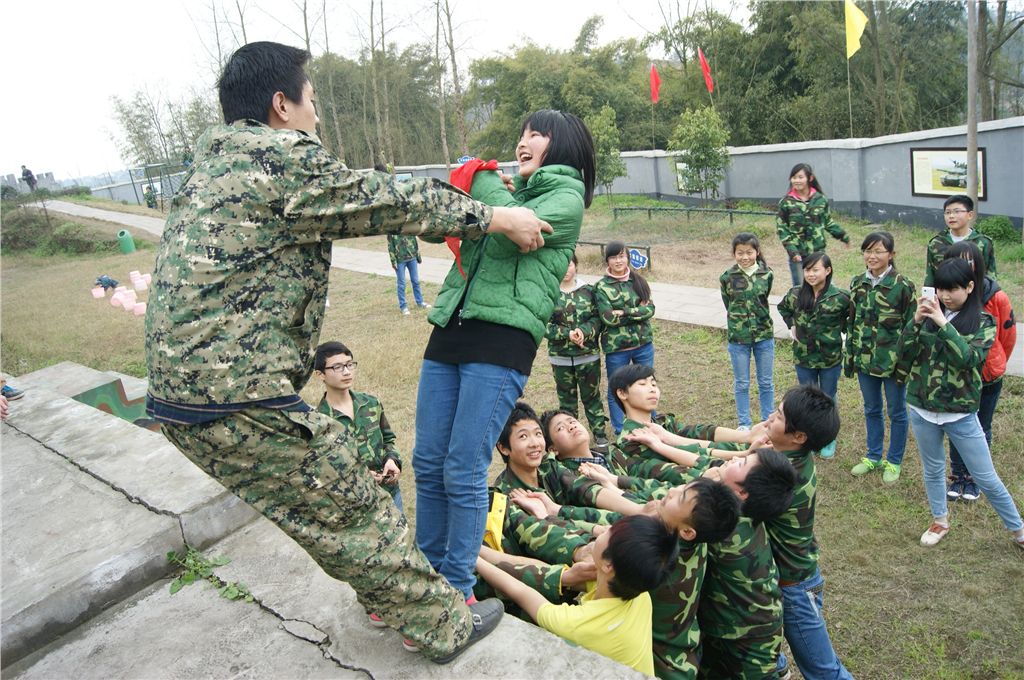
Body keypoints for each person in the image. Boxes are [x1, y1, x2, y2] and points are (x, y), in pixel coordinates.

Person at [144, 41, 552, 662]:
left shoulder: (211, 166)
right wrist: (492, 216)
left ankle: (393, 600)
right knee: (358, 510)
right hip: (237, 396)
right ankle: (445, 627)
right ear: (281, 104)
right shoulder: (275, 157)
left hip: (180, 401)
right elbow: (384, 198)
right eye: (312, 99)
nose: (317, 114)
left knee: (322, 511)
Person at [412, 109, 595, 603]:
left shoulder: (566, 197)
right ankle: (423, 581)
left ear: (564, 146)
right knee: (427, 461)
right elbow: (442, 222)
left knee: (464, 466)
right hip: (452, 323)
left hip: (503, 338)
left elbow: (515, 222)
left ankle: (456, 589)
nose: (523, 141)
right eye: (523, 133)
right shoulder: (509, 195)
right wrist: (492, 206)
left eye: (537, 134)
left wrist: (482, 177)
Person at [896, 258, 1024, 549]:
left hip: (959, 411)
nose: (945, 296)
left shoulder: (983, 321)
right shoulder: (927, 315)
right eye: (941, 289)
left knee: (985, 476)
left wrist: (942, 323)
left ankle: (1018, 530)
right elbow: (903, 355)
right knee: (932, 468)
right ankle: (940, 520)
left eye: (952, 289)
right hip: (922, 407)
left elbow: (970, 359)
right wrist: (916, 321)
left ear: (969, 287)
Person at [476, 514, 679, 676]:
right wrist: (479, 551)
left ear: (608, 565)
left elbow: (520, 591)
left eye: (610, 532)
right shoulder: (637, 592)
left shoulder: (579, 625)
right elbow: (544, 570)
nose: (606, 528)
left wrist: (472, 560)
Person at [761, 385, 852, 680]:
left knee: (824, 670)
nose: (769, 418)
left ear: (799, 437)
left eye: (777, 415)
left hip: (795, 587)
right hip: (789, 579)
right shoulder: (789, 457)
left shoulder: (782, 475)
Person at [697, 449, 798, 680]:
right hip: (732, 627)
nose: (732, 459)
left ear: (742, 492)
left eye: (741, 462)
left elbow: (675, 509)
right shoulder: (741, 513)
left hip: (748, 640)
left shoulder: (727, 530)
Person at [942, 241, 1016, 502]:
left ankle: (975, 479)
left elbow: (1007, 337)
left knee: (980, 427)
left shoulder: (995, 296)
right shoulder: (945, 297)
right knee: (955, 425)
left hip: (986, 376)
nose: (965, 266)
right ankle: (958, 476)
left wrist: (996, 362)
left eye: (969, 261)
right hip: (956, 376)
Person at [845, 231, 916, 484]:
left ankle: (893, 460)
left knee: (897, 412)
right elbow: (852, 323)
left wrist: (905, 365)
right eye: (868, 250)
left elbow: (912, 329)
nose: (872, 256)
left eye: (878, 251)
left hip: (892, 364)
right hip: (866, 363)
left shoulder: (903, 286)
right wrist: (851, 358)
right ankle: (873, 456)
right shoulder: (857, 283)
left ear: (891, 255)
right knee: (871, 409)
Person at [313, 341, 403, 510]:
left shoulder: (370, 403)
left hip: (390, 492)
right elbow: (323, 468)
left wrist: (392, 460)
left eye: (349, 364)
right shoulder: (319, 421)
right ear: (320, 374)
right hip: (354, 505)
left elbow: (388, 439)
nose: (346, 372)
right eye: (337, 367)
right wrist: (359, 477)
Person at [777, 251, 850, 459]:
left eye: (815, 270)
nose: (810, 274)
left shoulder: (841, 297)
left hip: (830, 358)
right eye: (807, 270)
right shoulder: (795, 294)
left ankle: (828, 436)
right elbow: (784, 309)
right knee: (806, 397)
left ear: (827, 271)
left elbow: (850, 319)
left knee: (828, 396)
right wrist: (792, 326)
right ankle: (807, 433)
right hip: (804, 357)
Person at [546, 252, 609, 445]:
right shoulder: (549, 293)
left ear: (576, 266)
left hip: (587, 356)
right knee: (567, 401)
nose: (566, 270)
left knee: (592, 397)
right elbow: (543, 324)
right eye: (562, 265)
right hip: (561, 357)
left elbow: (598, 318)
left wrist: (584, 331)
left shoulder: (589, 291)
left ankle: (599, 434)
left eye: (570, 264)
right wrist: (567, 334)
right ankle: (570, 439)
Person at [594, 240, 655, 435]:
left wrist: (624, 312)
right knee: (617, 389)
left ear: (627, 258)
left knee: (647, 385)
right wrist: (636, 311)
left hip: (643, 344)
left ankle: (650, 426)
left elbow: (650, 310)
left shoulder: (638, 281)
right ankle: (622, 430)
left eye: (622, 256)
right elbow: (608, 318)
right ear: (607, 260)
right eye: (614, 257)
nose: (618, 261)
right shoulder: (601, 287)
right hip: (617, 348)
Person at [720, 232, 775, 430]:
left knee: (766, 382)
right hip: (738, 338)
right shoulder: (727, 277)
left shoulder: (767, 274)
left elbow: (764, 298)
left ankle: (768, 421)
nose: (745, 257)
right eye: (740, 253)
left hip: (764, 336)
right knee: (742, 383)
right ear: (734, 254)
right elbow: (729, 303)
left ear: (757, 252)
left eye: (749, 252)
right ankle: (744, 423)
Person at [775, 163, 850, 286]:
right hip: (798, 256)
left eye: (800, 177)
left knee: (826, 287)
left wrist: (843, 236)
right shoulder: (786, 202)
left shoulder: (820, 200)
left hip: (818, 253)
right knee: (801, 289)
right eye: (794, 177)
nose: (796, 180)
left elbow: (828, 222)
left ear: (810, 178)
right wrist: (793, 251)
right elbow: (782, 229)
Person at [376, 164, 431, 316]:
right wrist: (393, 261)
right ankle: (403, 306)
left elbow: (413, 239)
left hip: (411, 257)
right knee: (401, 284)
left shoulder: (408, 225)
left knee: (416, 281)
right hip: (400, 259)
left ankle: (420, 302)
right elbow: (390, 246)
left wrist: (418, 255)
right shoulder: (391, 228)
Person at [924, 194, 997, 287]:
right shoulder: (936, 243)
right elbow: (930, 275)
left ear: (970, 215)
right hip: (945, 295)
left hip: (975, 295)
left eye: (957, 212)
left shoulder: (983, 242)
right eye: (947, 212)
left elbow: (990, 275)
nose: (951, 216)